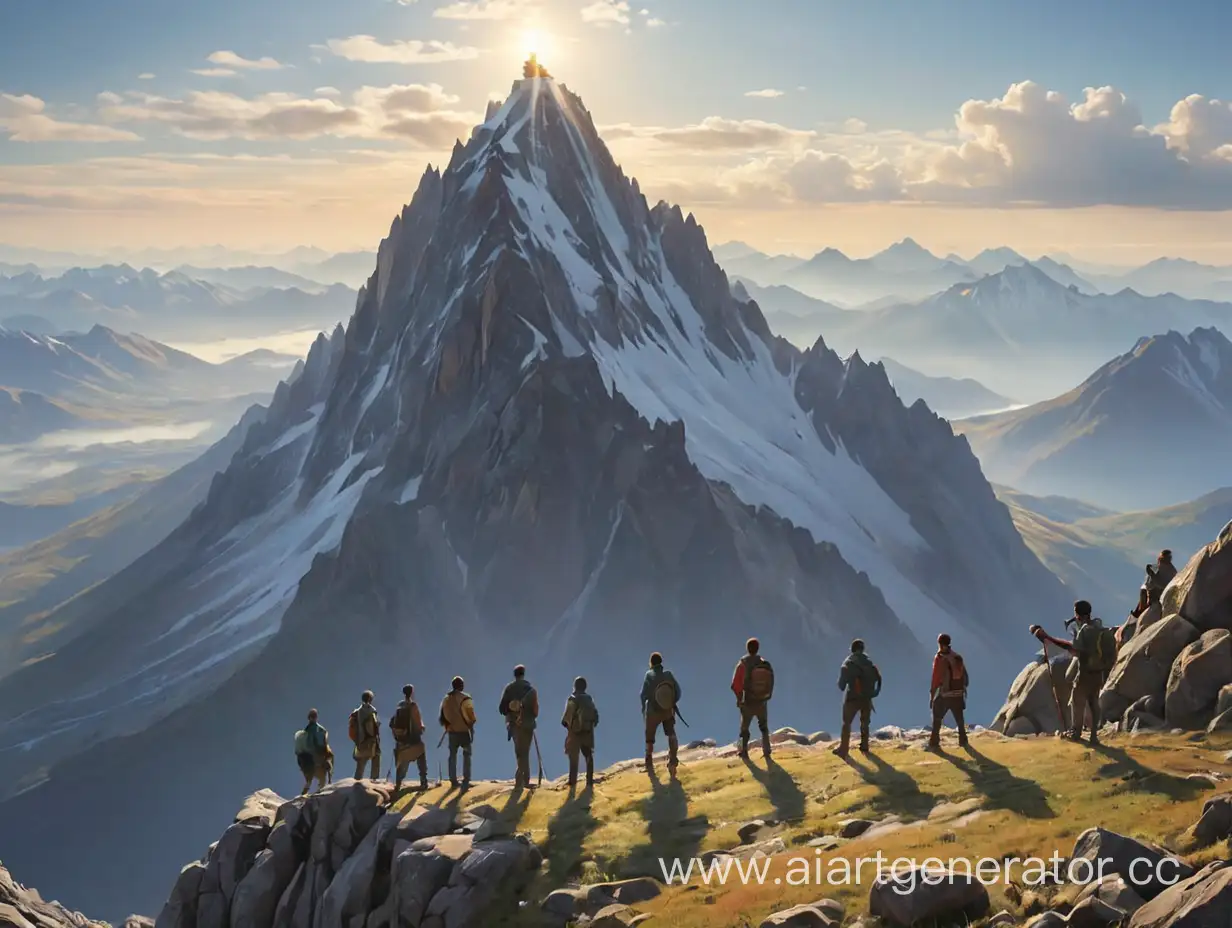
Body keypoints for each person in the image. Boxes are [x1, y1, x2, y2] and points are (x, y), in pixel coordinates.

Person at [1032, 600, 1116, 744]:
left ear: (1077, 614)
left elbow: (1075, 650)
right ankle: (1094, 736)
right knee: (1094, 702)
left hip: (1084, 673)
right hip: (1098, 674)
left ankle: (1076, 733)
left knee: (1077, 702)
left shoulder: (1084, 630)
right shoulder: (1099, 626)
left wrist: (1074, 633)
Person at [834, 639, 881, 757]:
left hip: (852, 698)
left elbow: (841, 686)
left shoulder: (848, 663)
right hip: (867, 698)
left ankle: (843, 749)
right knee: (865, 723)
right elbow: (876, 679)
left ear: (852, 649)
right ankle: (864, 746)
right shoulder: (869, 663)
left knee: (847, 723)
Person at [731, 637, 774, 759]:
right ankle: (767, 751)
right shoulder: (764, 663)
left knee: (744, 729)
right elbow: (770, 681)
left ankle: (743, 752)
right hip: (762, 701)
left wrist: (739, 698)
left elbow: (735, 684)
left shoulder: (743, 664)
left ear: (747, 648)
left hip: (748, 701)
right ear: (758, 648)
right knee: (764, 727)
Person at [499, 664, 539, 790]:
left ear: (515, 675)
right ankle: (523, 780)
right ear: (523, 674)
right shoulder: (531, 690)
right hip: (528, 725)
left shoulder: (509, 689)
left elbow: (502, 709)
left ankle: (520, 780)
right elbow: (536, 711)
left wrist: (512, 712)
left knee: (519, 752)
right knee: (525, 752)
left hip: (514, 725)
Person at [640, 652, 681, 776]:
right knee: (671, 734)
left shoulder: (648, 675)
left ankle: (649, 765)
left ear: (651, 663)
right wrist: (671, 703)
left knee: (649, 739)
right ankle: (673, 762)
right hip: (667, 710)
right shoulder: (668, 675)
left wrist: (644, 710)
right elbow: (678, 692)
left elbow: (643, 695)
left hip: (652, 712)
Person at [927, 634, 969, 751]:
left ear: (940, 644)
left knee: (937, 717)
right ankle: (963, 740)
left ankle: (934, 742)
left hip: (945, 694)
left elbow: (935, 679)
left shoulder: (940, 658)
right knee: (959, 719)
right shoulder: (957, 657)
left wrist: (932, 695)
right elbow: (966, 679)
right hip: (959, 694)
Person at [561, 676, 599, 789]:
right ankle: (589, 780)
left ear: (575, 686)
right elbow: (595, 716)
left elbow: (567, 717)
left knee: (573, 756)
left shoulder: (572, 698)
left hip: (575, 732)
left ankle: (573, 782)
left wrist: (567, 726)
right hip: (587, 731)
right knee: (588, 755)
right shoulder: (589, 699)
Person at [439, 676, 477, 789]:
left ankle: (453, 780)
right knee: (466, 755)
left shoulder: (446, 699)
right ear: (461, 686)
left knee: (452, 756)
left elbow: (442, 716)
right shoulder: (466, 698)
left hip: (452, 731)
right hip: (464, 731)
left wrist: (448, 725)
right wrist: (471, 726)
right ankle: (466, 780)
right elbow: (471, 716)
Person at [391, 684, 428, 793]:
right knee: (421, 756)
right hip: (413, 740)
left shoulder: (400, 705)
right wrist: (422, 728)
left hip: (401, 740)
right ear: (412, 692)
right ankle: (423, 781)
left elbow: (393, 722)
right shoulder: (413, 706)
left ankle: (397, 785)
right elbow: (417, 722)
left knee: (402, 763)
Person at [295, 708, 332, 795]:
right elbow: (321, 743)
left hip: (304, 760)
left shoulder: (305, 731)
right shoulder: (319, 729)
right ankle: (321, 792)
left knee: (310, 778)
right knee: (323, 775)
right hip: (315, 757)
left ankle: (306, 791)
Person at [351, 690, 381, 780]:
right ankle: (374, 779)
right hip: (370, 739)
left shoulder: (356, 711)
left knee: (361, 762)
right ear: (371, 699)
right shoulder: (372, 710)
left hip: (360, 740)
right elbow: (375, 725)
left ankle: (357, 780)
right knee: (376, 756)